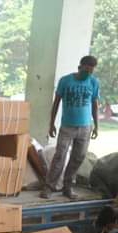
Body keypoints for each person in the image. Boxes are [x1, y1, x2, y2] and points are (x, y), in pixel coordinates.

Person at [41, 55, 100, 200]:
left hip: (85, 127)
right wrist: (51, 124)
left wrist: (96, 126)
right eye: (86, 70)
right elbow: (56, 103)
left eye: (91, 71)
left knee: (78, 158)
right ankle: (49, 187)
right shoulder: (65, 81)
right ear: (80, 67)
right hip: (67, 127)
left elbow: (95, 105)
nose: (88, 73)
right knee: (59, 156)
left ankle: (67, 187)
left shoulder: (94, 82)